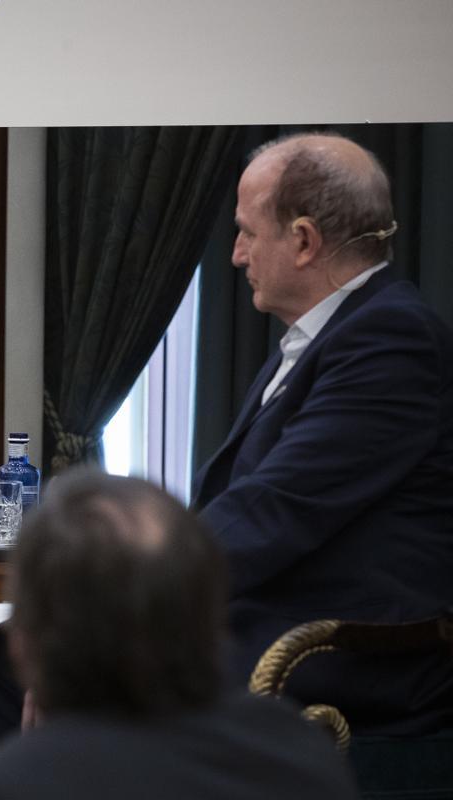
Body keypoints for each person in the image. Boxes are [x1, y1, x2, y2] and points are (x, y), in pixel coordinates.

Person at [193, 132, 453, 734]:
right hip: (274, 625)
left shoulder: (391, 339)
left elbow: (277, 507)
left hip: (343, 651)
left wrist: (128, 585)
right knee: (22, 657)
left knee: (29, 664)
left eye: (248, 233)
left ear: (304, 241)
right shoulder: (332, 334)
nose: (236, 254)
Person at [0, 470, 358, 800]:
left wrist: (40, 756)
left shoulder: (2, 787)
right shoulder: (304, 753)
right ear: (208, 615)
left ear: (24, 640)